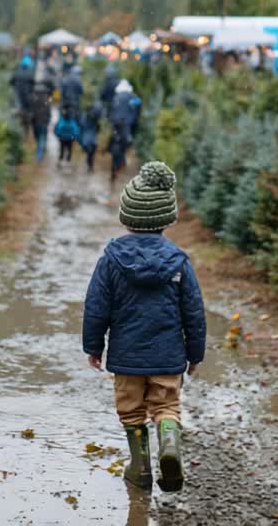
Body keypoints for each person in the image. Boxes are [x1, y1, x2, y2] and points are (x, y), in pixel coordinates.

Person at [82, 161, 205, 494]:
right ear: (166, 217)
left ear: (127, 216)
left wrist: (93, 347)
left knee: (131, 409)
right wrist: (195, 354)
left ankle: (140, 469)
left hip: (127, 356)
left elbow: (96, 307)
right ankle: (169, 444)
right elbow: (193, 311)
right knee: (166, 405)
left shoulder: (111, 259)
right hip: (168, 356)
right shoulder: (179, 261)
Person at [109, 79, 141, 180]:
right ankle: (120, 163)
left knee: (116, 142)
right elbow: (138, 103)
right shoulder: (131, 97)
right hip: (126, 124)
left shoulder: (116, 96)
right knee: (123, 143)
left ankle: (114, 166)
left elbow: (112, 109)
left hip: (116, 123)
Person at [30, 63, 53, 161]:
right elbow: (49, 113)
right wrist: (48, 120)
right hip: (43, 122)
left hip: (36, 123)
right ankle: (40, 152)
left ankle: (39, 155)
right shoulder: (46, 101)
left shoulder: (34, 100)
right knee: (42, 137)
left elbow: (32, 113)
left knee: (39, 137)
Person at [80, 104, 103, 172]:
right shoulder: (88, 116)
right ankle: (90, 165)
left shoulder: (92, 116)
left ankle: (90, 165)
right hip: (90, 136)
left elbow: (82, 125)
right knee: (90, 150)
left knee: (90, 150)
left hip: (90, 137)